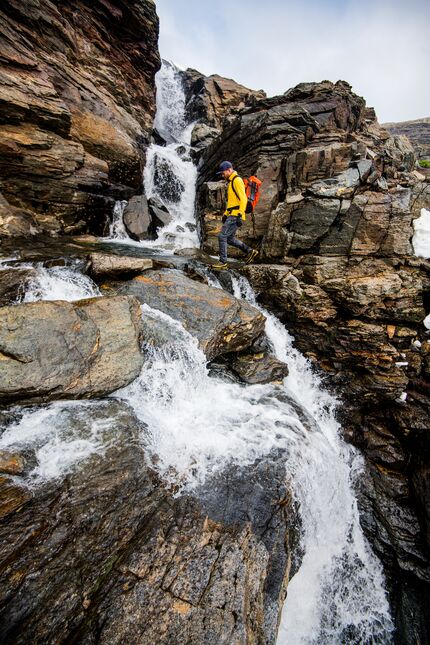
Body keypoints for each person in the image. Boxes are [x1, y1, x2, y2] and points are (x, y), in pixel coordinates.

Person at [211, 161, 259, 270]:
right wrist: (225, 214)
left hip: (235, 214)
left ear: (229, 170)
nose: (222, 176)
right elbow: (232, 202)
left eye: (223, 173)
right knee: (230, 239)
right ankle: (250, 251)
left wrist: (239, 215)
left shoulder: (237, 180)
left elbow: (243, 199)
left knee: (222, 236)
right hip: (232, 214)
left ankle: (223, 262)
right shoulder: (231, 182)